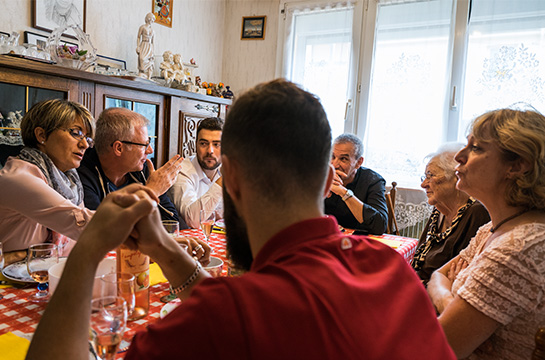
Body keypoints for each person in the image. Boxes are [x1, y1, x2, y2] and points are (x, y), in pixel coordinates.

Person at [27, 79, 455, 360]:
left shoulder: (217, 321)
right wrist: (162, 247)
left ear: (229, 176)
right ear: (328, 180)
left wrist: (85, 255)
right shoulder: (389, 270)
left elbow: (231, 312)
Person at [427, 108, 545, 359]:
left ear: (517, 165)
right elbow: (437, 275)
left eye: (476, 148)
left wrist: (447, 299)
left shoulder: (516, 249)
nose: (459, 156)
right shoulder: (492, 229)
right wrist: (450, 303)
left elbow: (436, 351)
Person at [0, 99, 95, 260]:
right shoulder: (19, 178)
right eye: (76, 133)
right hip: (11, 282)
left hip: (46, 274)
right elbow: (78, 223)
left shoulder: (69, 180)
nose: (85, 144)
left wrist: (23, 255)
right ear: (41, 135)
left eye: (87, 138)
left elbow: (77, 242)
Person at [77, 107, 186, 226]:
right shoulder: (83, 175)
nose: (150, 150)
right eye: (144, 145)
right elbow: (102, 230)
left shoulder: (142, 170)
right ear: (119, 148)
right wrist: (151, 191)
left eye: (149, 143)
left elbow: (172, 222)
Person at [411, 143, 490, 285]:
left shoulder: (476, 213)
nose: (423, 185)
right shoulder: (439, 209)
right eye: (424, 177)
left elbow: (460, 277)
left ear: (456, 177)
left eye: (431, 176)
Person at [324, 134, 388, 234]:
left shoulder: (373, 181)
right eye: (332, 157)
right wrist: (320, 193)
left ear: (359, 162)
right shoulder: (321, 176)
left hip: (359, 242)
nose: (335, 165)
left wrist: (344, 193)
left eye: (343, 159)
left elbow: (379, 227)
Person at [168, 117, 223, 228]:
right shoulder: (182, 171)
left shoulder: (226, 168)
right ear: (195, 145)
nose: (210, 151)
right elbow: (193, 221)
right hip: (185, 243)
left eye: (217, 144)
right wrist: (223, 181)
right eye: (203, 144)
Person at [136, 12, 155, 79]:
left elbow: (153, 42)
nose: (153, 21)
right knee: (142, 59)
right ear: (149, 18)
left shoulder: (152, 30)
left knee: (150, 61)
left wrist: (153, 51)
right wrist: (138, 46)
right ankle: (142, 72)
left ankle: (148, 76)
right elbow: (138, 37)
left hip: (149, 46)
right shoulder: (142, 27)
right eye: (152, 19)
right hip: (144, 44)